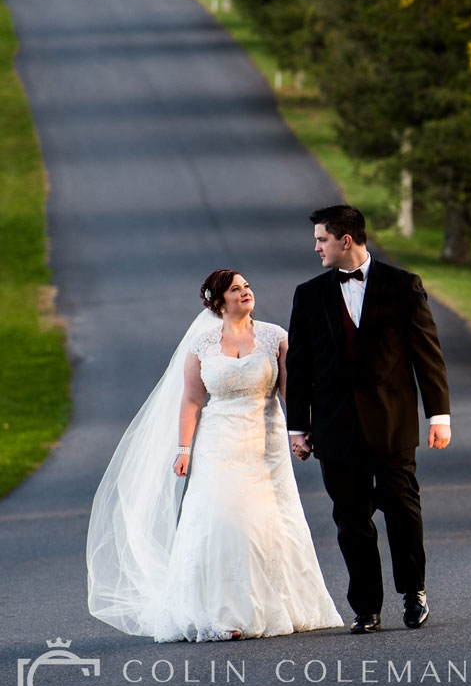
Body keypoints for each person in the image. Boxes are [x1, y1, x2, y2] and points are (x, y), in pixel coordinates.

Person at [87, 270, 345, 641]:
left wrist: (301, 433)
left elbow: (291, 391)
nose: (245, 293)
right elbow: (192, 399)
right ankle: (220, 612)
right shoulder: (203, 345)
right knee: (220, 520)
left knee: (266, 522)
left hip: (264, 442)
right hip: (217, 442)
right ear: (218, 301)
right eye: (236, 289)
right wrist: (183, 449)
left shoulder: (275, 337)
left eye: (247, 287)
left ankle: (279, 604)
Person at [286, 204, 451, 633]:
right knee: (350, 517)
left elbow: (427, 356)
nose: (317, 247)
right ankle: (366, 607)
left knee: (402, 509)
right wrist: (298, 427)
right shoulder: (309, 295)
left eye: (322, 240)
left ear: (346, 240)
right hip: (335, 427)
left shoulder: (403, 286)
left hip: (393, 422)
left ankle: (413, 593)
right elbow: (300, 368)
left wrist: (439, 415)